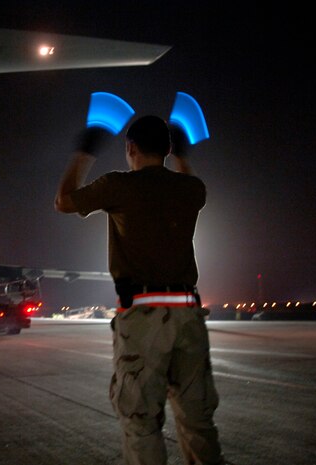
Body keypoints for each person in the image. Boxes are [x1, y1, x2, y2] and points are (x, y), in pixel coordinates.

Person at [54, 115, 225, 465]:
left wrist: (84, 152)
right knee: (198, 417)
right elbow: (189, 179)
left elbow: (64, 201)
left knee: (140, 420)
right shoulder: (192, 190)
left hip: (143, 315)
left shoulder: (118, 185)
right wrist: (182, 156)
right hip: (188, 315)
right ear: (167, 148)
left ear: (130, 148)